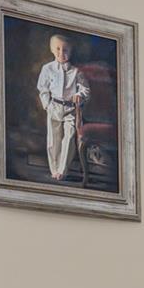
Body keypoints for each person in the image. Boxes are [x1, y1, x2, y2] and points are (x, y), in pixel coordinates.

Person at [36, 33, 89, 181]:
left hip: (70, 109)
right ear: (52, 50)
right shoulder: (47, 69)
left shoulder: (77, 72)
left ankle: (62, 170)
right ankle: (54, 168)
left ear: (70, 52)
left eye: (65, 50)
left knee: (69, 136)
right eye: (58, 49)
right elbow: (43, 89)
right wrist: (47, 105)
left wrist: (80, 94)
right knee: (53, 139)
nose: (61, 53)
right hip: (54, 107)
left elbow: (85, 89)